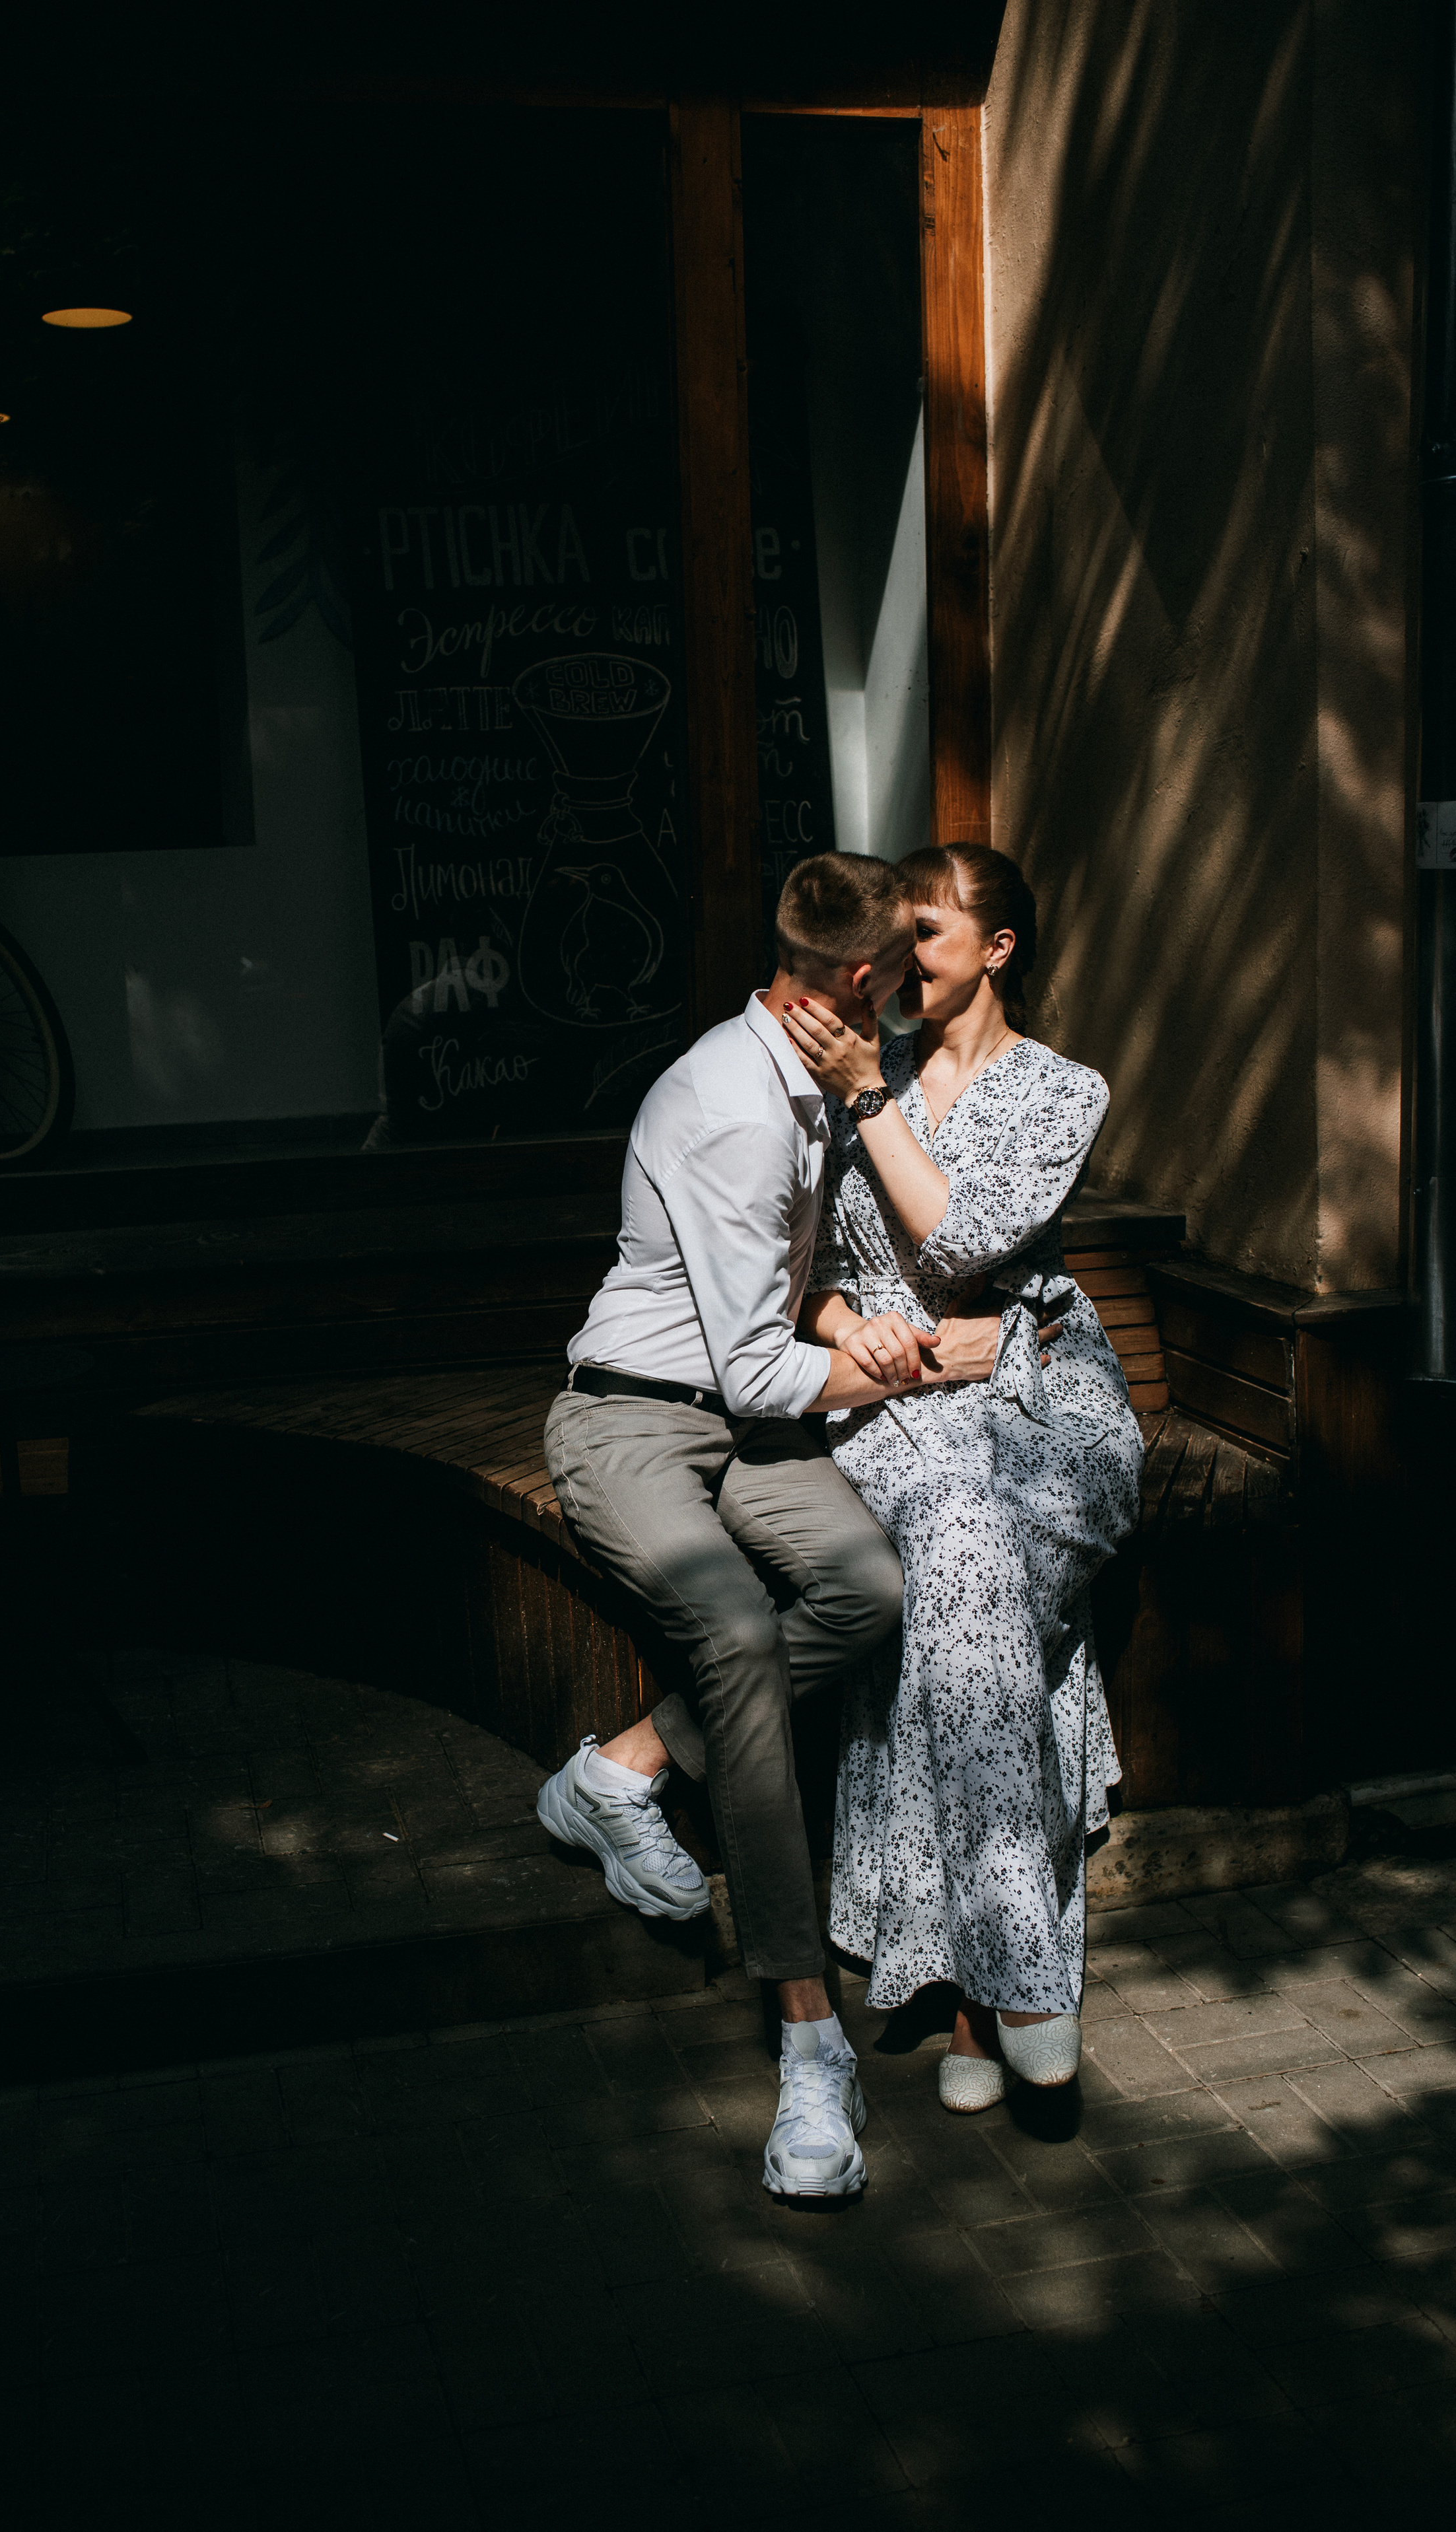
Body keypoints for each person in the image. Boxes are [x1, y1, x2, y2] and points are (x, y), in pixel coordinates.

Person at [534, 851, 1039, 2200]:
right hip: (632, 1418)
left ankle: (623, 1766)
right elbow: (750, 1363)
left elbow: (789, 1301)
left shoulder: (814, 1079)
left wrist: (847, 1320)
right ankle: (805, 2034)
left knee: (865, 1588)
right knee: (741, 1636)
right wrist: (932, 1356)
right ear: (863, 980)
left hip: (750, 1424)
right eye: (906, 961)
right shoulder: (735, 1108)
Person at [782, 842, 1142, 2107]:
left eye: (922, 935)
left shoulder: (1063, 1089)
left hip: (1042, 1388)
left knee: (969, 1581)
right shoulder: (839, 1075)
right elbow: (797, 1269)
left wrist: (871, 1104)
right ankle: (1021, 1983)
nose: (888, 963)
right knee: (971, 1566)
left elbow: (971, 1238)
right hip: (899, 1397)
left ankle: (971, 1997)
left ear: (995, 950)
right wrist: (850, 1330)